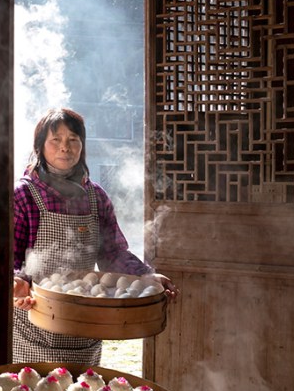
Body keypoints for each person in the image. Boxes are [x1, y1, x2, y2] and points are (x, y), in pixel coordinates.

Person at [12, 107, 178, 365]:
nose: (64, 148)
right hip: (34, 322)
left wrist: (146, 276)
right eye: (55, 140)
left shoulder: (95, 197)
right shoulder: (23, 195)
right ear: (40, 146)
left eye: (73, 140)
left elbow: (112, 253)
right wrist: (16, 284)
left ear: (82, 146)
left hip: (84, 324)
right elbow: (10, 257)